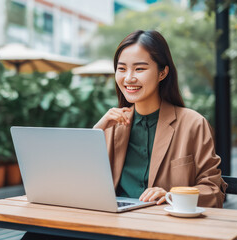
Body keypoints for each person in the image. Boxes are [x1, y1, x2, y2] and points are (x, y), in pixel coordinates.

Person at [93, 29, 227, 208]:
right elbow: (79, 183)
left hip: (168, 228)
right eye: (122, 69)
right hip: (114, 227)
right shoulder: (111, 125)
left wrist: (172, 196)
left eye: (139, 68)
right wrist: (96, 131)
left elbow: (213, 190)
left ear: (162, 73)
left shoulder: (193, 124)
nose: (129, 78)